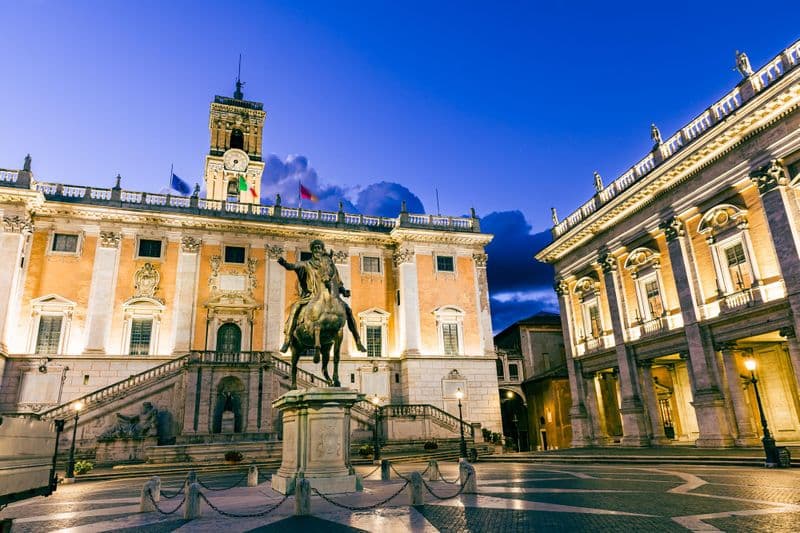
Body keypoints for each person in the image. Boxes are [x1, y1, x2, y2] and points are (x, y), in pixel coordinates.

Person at [278, 239, 366, 353]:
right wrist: (284, 263)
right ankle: (287, 339)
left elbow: (337, 281)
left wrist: (343, 291)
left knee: (348, 310)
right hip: (311, 296)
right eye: (315, 248)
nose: (317, 250)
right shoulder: (307, 264)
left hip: (330, 296)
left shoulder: (329, 264)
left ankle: (358, 340)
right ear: (312, 250)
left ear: (322, 249)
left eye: (319, 247)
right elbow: (293, 266)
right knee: (295, 308)